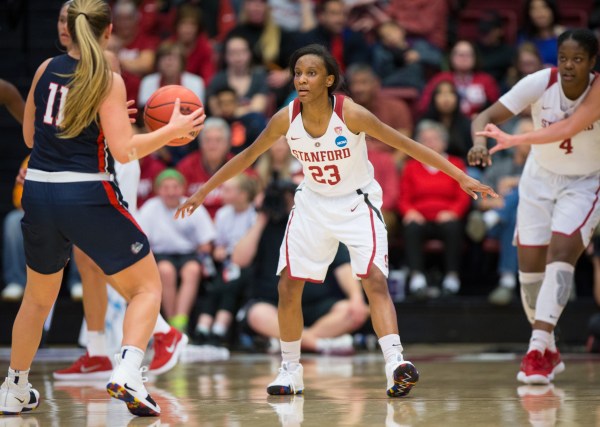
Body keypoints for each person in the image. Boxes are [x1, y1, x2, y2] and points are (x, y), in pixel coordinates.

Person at [176, 43, 496, 397]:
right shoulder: (285, 117)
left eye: (311, 73)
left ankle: (395, 364)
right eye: (297, 73)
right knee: (287, 286)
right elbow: (248, 156)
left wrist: (459, 176)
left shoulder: (352, 113)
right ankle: (290, 369)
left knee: (374, 279)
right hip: (313, 203)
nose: (302, 79)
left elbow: (406, 144)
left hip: (356, 202)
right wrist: (203, 191)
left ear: (329, 80)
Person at [0, 0, 205, 417]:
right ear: (108, 31)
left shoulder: (44, 70)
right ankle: (128, 372)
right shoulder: (107, 80)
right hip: (86, 193)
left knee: (37, 300)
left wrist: (100, 119)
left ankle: (13, 387)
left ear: (70, 30)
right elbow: (126, 151)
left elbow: (28, 137)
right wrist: (170, 130)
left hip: (38, 192)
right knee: (147, 288)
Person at [52, 0, 188, 381]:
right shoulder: (60, 67)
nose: (65, 26)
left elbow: (112, 128)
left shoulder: (103, 60)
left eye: (71, 19)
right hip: (83, 167)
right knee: (86, 262)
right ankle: (96, 350)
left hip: (113, 163)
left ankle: (164, 332)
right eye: (61, 19)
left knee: (105, 257)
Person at [470, 29, 600, 384]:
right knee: (529, 273)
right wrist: (479, 144)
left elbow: (567, 128)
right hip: (538, 179)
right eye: (563, 59)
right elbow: (482, 118)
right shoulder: (541, 82)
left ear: (592, 61)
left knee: (561, 252)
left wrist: (515, 138)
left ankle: (536, 350)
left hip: (585, 182)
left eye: (577, 59)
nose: (569, 66)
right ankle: (549, 349)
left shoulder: (598, 89)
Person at [233, 184, 369, 355]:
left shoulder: (319, 224)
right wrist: (261, 218)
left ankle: (290, 343)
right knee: (257, 314)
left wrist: (356, 297)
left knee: (354, 311)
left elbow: (343, 265)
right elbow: (239, 260)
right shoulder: (263, 227)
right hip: (275, 303)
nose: (288, 202)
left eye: (292, 196)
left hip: (318, 304)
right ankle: (317, 343)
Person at [398, 120, 471, 298]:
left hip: (446, 217)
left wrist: (453, 212)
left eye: (434, 139)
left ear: (444, 142)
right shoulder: (411, 167)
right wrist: (410, 212)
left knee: (454, 227)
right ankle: (417, 278)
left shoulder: (456, 164)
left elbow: (464, 195)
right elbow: (403, 197)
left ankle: (452, 277)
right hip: (420, 217)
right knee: (411, 228)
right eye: (424, 140)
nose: (429, 143)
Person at [138, 169, 216, 332]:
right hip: (161, 254)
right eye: (166, 188)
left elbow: (206, 242)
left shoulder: (192, 204)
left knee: (193, 271)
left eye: (175, 187)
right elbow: (142, 239)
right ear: (158, 190)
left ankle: (180, 321)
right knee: (166, 271)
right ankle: (172, 321)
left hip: (188, 254)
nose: (171, 192)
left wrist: (202, 250)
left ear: (182, 188)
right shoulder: (150, 208)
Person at [418, 40, 500, 118]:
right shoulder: (440, 79)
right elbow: (424, 106)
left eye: (468, 55)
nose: (464, 58)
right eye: (460, 55)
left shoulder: (486, 80)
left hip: (478, 124)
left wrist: (481, 119)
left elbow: (496, 109)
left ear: (475, 57)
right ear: (451, 57)